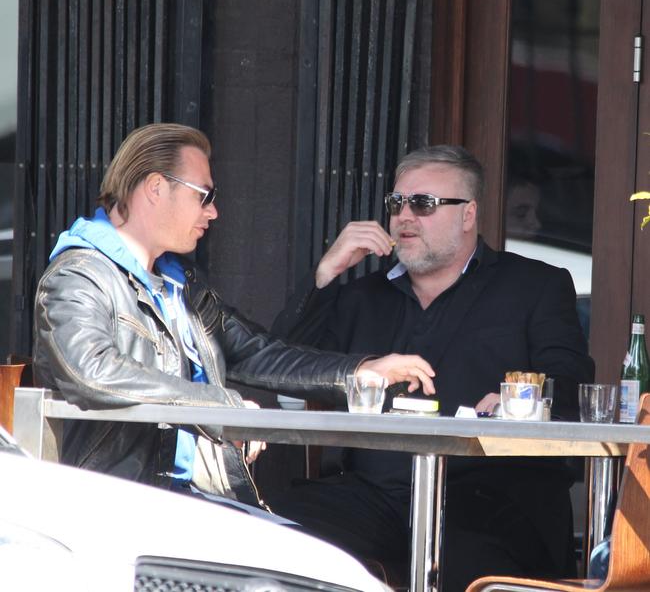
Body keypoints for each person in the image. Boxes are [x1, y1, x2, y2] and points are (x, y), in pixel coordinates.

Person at [32, 123, 434, 515]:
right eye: (204, 195)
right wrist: (221, 409)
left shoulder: (177, 281)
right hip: (117, 503)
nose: (214, 211)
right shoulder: (78, 275)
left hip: (180, 497)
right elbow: (91, 370)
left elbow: (255, 351)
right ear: (155, 188)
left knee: (301, 554)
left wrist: (359, 372)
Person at [269, 145, 595, 590]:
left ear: (468, 214)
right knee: (277, 534)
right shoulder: (362, 296)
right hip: (375, 493)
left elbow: (572, 380)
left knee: (461, 560)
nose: (405, 216)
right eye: (397, 203)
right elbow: (285, 365)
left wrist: (524, 399)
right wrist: (325, 276)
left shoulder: (534, 285)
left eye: (423, 204)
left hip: (489, 497)